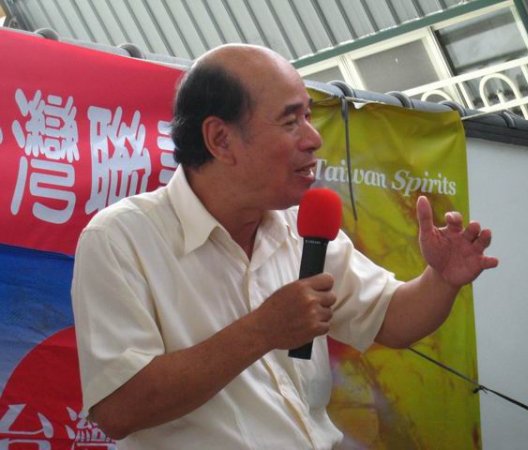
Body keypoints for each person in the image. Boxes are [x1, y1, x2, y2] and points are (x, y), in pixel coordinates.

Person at [71, 43, 498, 449]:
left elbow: (392, 319)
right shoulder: (120, 239)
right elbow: (119, 408)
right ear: (220, 139)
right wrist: (262, 331)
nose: (313, 138)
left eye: (309, 116)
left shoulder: (300, 227)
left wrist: (441, 279)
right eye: (291, 121)